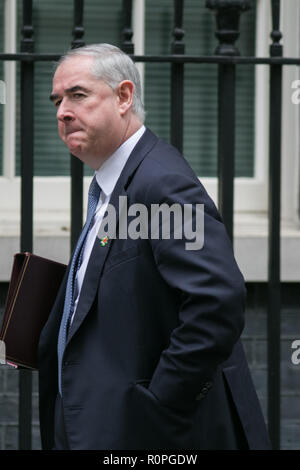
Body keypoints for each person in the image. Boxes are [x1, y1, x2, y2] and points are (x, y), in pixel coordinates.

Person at [38, 43, 271, 450]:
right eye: (58, 100)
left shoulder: (161, 182)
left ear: (124, 96)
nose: (62, 112)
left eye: (78, 95)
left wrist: (159, 406)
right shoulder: (115, 185)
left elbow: (216, 304)